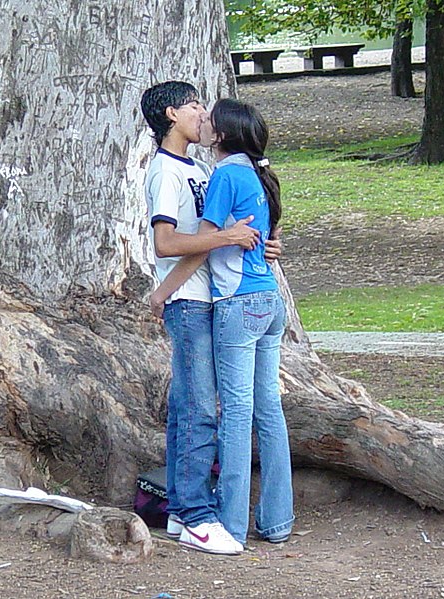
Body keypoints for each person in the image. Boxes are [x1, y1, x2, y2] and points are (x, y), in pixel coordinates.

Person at [150, 98, 294, 547]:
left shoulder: (225, 174)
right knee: (268, 411)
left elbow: (202, 245)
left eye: (209, 116)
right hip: (270, 301)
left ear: (223, 134)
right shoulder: (255, 174)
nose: (203, 120)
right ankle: (277, 520)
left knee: (234, 413)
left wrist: (161, 292)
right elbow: (261, 238)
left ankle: (231, 522)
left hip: (238, 305)